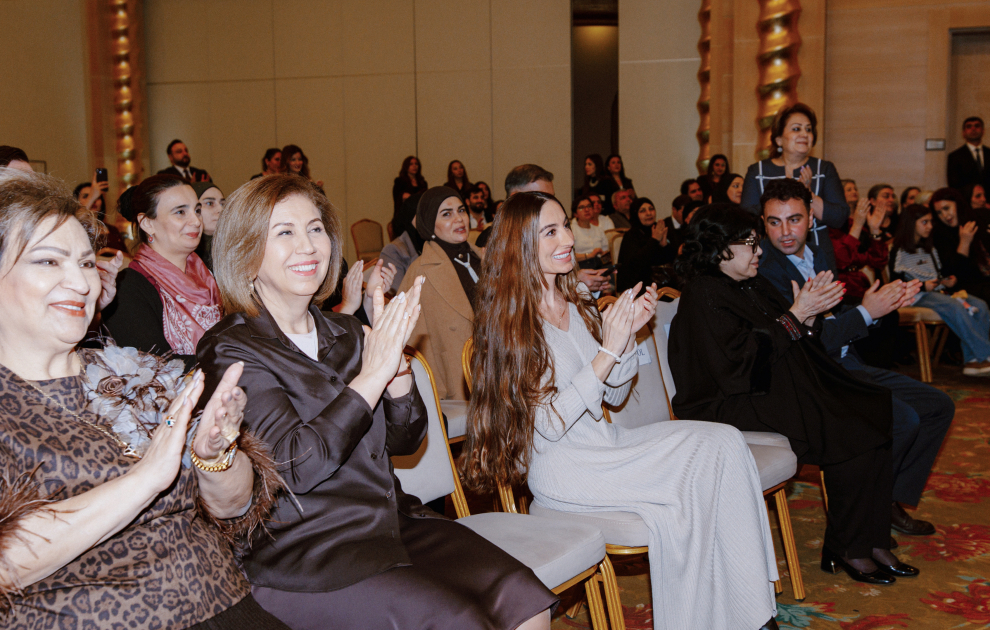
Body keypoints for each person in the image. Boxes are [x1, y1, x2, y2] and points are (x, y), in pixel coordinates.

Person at [197, 174, 555, 630]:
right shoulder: (230, 349)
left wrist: (399, 373)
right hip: (310, 550)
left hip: (392, 521)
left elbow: (407, 440)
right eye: (284, 232)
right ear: (245, 252)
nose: (308, 246)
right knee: (461, 620)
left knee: (525, 600)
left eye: (316, 228)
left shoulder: (345, 332)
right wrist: (371, 376)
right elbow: (293, 467)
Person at [464, 191, 780, 630]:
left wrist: (627, 337)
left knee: (723, 441)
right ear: (520, 246)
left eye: (566, 225)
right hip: (566, 468)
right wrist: (606, 352)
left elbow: (612, 394)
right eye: (551, 231)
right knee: (701, 471)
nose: (568, 238)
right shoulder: (510, 324)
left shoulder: (573, 300)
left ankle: (751, 611)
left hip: (607, 447)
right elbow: (549, 425)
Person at [0, 168, 288, 630]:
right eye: (49, 262)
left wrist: (214, 455)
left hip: (225, 603)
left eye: (87, 263)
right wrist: (145, 480)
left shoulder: (142, 374)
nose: (80, 283)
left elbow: (235, 506)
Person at [671, 202, 919, 587]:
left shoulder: (749, 283)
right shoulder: (704, 294)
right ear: (720, 248)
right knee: (847, 423)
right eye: (750, 244)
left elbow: (790, 336)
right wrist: (795, 315)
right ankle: (848, 546)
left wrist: (809, 314)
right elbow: (737, 367)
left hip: (767, 387)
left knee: (869, 408)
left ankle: (871, 540)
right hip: (727, 405)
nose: (758, 252)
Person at [757, 179, 954, 538]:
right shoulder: (766, 271)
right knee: (903, 419)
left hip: (848, 360)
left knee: (938, 405)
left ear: (811, 217)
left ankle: (889, 499)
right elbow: (804, 343)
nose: (785, 231)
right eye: (774, 222)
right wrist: (865, 313)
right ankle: (875, 510)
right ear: (763, 221)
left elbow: (834, 316)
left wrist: (883, 302)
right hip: (817, 373)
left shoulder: (819, 252)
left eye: (794, 219)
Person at [103, 175, 222, 370]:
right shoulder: (128, 288)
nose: (196, 221)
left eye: (197, 210)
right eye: (180, 212)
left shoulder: (210, 275)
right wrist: (234, 359)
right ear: (147, 223)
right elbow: (153, 366)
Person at [398, 187, 482, 401]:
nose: (459, 219)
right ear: (429, 223)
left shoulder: (487, 257)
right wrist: (437, 394)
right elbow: (414, 342)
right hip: (458, 380)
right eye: (447, 214)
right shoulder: (420, 271)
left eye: (461, 210)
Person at [891, 203, 990, 375]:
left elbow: (937, 274)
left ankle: (973, 361)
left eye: (931, 222)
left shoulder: (929, 248)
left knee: (980, 305)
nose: (930, 226)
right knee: (954, 306)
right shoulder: (899, 250)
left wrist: (945, 281)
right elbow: (897, 282)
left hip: (937, 293)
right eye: (924, 222)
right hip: (915, 297)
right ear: (911, 223)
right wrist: (923, 285)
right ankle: (985, 354)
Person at [740, 103, 849, 250]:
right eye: (796, 129)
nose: (804, 134)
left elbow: (839, 218)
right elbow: (747, 219)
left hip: (817, 252)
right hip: (770, 255)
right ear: (779, 140)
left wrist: (808, 195)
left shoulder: (823, 169)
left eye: (808, 129)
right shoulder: (757, 171)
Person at [930, 187, 990, 305]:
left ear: (958, 204)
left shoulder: (976, 219)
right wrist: (964, 242)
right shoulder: (939, 234)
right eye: (939, 212)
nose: (945, 215)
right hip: (966, 286)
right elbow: (955, 274)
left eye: (946, 208)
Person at [617, 197, 675, 292]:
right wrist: (654, 240)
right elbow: (635, 265)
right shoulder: (631, 235)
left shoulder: (658, 229)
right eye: (642, 211)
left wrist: (664, 245)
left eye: (651, 209)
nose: (648, 213)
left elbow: (670, 261)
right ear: (635, 214)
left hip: (662, 282)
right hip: (639, 285)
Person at [381, 192, 426, 292]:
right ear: (410, 218)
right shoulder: (394, 250)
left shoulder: (435, 244)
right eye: (422, 215)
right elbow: (397, 294)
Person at [73, 178, 128, 254]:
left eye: (97, 197)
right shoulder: (75, 229)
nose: (94, 200)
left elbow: (127, 257)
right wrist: (91, 197)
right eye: (86, 196)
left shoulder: (112, 229)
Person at [946, 116, 990, 192]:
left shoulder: (989, 153)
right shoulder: (955, 156)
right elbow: (954, 185)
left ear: (983, 131)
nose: (973, 129)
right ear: (964, 133)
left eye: (977, 126)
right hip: (967, 201)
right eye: (969, 127)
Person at [192, 181, 225, 272]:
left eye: (222, 204)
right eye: (210, 203)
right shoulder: (187, 255)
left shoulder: (234, 248)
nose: (220, 209)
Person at [570, 195, 610, 268]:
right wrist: (590, 255)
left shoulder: (599, 230)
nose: (586, 210)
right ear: (575, 214)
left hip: (598, 265)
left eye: (589, 206)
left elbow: (606, 255)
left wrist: (604, 254)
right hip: (579, 267)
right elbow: (568, 256)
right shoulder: (571, 231)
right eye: (582, 207)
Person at [392, 155, 428, 219]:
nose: (414, 166)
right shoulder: (400, 181)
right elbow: (397, 198)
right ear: (406, 166)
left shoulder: (422, 183)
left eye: (416, 164)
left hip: (419, 214)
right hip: (404, 214)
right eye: (411, 164)